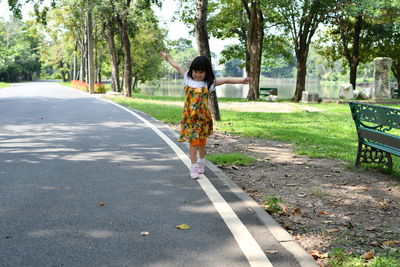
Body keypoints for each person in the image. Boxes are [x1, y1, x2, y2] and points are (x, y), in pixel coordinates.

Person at [160, 51, 252, 179]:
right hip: (190, 118)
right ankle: (193, 167)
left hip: (203, 119)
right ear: (192, 70)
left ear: (206, 72)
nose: (198, 75)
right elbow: (178, 66)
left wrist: (242, 81)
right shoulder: (187, 78)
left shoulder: (209, 83)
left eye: (201, 72)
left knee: (202, 142)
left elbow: (226, 80)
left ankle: (201, 162)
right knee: (193, 142)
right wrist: (167, 59)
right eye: (196, 71)